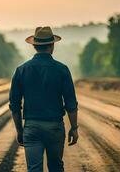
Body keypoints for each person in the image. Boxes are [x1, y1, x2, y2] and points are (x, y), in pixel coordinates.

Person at [9, 26, 79, 172]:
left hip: (32, 127)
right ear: (52, 45)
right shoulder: (62, 69)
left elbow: (14, 105)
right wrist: (74, 127)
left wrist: (19, 130)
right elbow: (71, 103)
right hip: (54, 127)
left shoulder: (21, 70)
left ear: (34, 46)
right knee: (55, 167)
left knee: (34, 169)